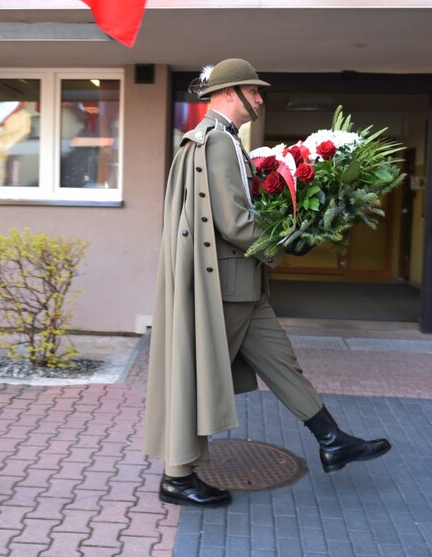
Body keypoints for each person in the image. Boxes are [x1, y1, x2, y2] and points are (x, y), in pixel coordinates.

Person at [144, 59, 391, 508]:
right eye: (252, 91)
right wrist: (285, 245)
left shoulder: (226, 142)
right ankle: (177, 478)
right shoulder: (218, 141)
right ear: (225, 94)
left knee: (282, 363)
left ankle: (333, 441)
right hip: (228, 285)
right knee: (195, 377)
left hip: (243, 285)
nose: (259, 99)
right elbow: (235, 222)